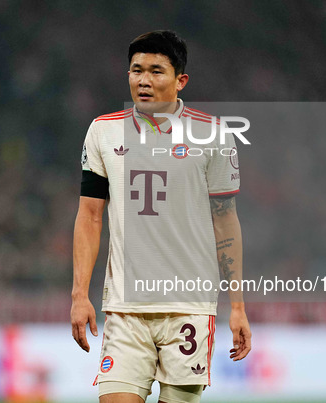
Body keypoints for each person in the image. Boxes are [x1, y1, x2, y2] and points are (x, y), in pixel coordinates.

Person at [71, 30, 251, 403]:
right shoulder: (103, 131)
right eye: (137, 70)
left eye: (156, 71)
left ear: (180, 80)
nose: (144, 80)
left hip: (189, 308)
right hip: (125, 309)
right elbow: (90, 216)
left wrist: (237, 306)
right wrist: (79, 294)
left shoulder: (213, 134)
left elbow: (226, 223)